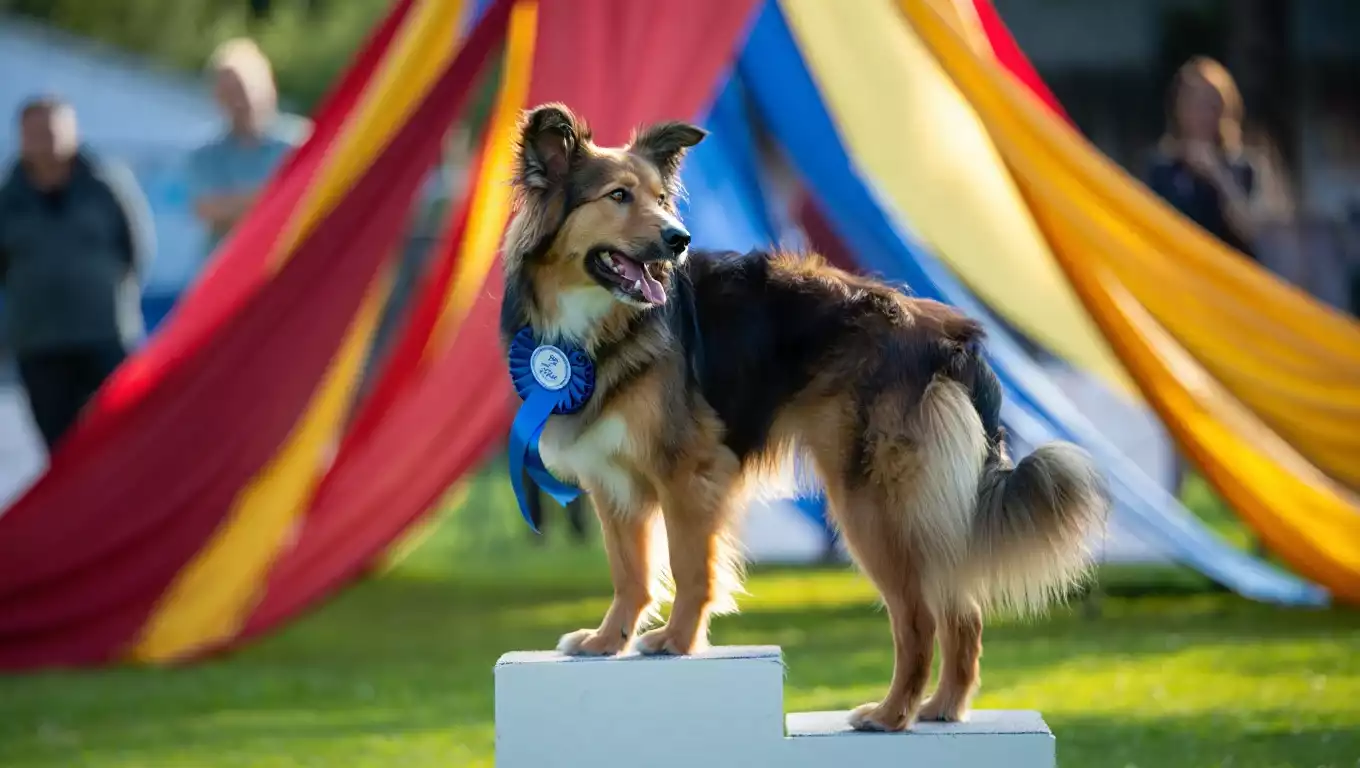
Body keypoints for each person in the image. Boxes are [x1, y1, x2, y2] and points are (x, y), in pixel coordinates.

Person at [0, 96, 154, 452]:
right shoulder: (8, 197)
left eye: (53, 131)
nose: (46, 141)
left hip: (105, 338)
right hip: (38, 343)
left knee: (123, 439)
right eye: (36, 133)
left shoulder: (106, 184)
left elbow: (136, 250)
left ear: (73, 131)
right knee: (60, 447)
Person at [1143, 56, 1273, 260]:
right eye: (1194, 102)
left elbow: (1252, 231)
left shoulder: (1243, 166)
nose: (1203, 113)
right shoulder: (1161, 168)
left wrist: (1216, 175)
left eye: (1211, 103)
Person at [187, 38, 296, 259]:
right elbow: (207, 209)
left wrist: (238, 205)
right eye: (227, 91)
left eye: (242, 89)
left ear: (266, 88)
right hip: (225, 265)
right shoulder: (206, 154)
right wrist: (276, 198)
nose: (237, 100)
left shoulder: (297, 143)